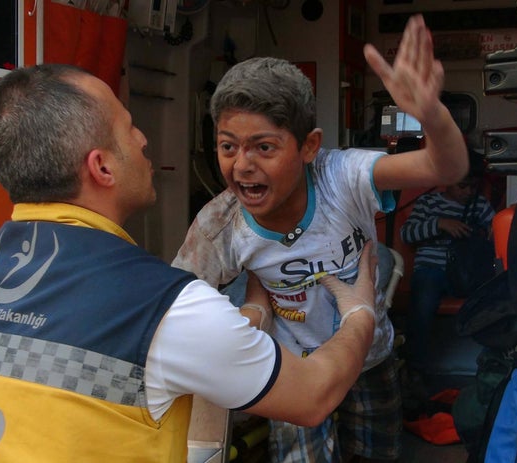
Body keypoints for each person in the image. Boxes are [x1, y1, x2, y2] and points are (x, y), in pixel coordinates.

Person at [0, 63, 383, 463]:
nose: (144, 139)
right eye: (128, 127)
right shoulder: (165, 307)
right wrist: (360, 310)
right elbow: (312, 395)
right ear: (102, 167)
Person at [172, 14, 468, 463]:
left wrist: (431, 115)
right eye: (228, 146)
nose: (242, 164)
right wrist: (249, 315)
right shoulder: (220, 224)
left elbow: (444, 168)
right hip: (292, 373)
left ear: (309, 146)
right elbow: (175, 306)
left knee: (375, 454)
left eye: (264, 147)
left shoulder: (342, 177)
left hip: (370, 357)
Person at [399, 151, 495, 374]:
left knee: (491, 297)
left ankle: (485, 363)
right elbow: (407, 234)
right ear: (447, 182)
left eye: (473, 186)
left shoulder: (478, 205)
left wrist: (490, 231)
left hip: (466, 271)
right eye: (463, 186)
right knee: (423, 302)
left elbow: (494, 226)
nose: (468, 192)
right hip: (432, 269)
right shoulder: (428, 203)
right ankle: (416, 366)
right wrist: (440, 224)